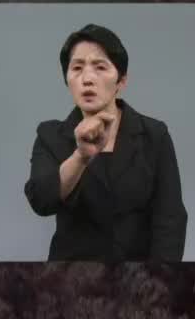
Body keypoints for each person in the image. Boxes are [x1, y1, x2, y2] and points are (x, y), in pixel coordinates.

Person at [23, 24, 186, 261]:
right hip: (71, 276)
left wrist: (158, 278)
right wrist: (80, 157)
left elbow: (170, 220)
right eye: (77, 68)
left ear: (121, 81)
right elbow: (40, 201)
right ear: (67, 80)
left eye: (100, 67)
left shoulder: (154, 135)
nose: (87, 79)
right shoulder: (50, 135)